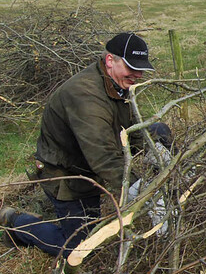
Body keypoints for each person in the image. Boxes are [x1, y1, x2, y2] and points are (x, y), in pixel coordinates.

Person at [1, 33, 155, 256]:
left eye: (141, 69)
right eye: (131, 67)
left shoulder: (119, 85)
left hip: (89, 166)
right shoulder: (85, 95)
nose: (137, 75)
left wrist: (153, 153)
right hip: (67, 175)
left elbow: (132, 127)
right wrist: (144, 192)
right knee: (80, 250)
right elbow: (103, 157)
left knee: (158, 131)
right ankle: (17, 223)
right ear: (110, 60)